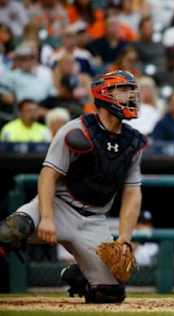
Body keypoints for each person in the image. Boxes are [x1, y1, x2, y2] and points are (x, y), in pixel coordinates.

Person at [0, 70, 147, 304]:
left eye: (132, 91)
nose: (131, 96)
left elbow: (132, 192)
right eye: (123, 91)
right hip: (57, 206)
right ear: (104, 95)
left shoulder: (133, 142)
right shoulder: (76, 130)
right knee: (10, 232)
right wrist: (47, 217)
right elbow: (48, 174)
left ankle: (81, 273)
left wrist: (124, 239)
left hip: (94, 220)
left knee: (109, 295)